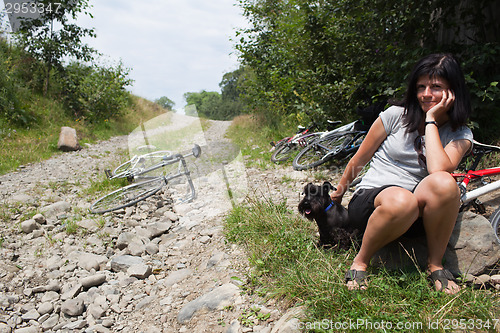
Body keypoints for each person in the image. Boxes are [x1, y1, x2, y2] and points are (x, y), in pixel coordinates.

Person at [330, 53, 473, 294]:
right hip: (373, 205)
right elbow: (360, 158)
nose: (426, 94)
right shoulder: (396, 115)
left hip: (416, 215)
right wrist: (339, 192)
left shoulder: (460, 134)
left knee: (445, 182)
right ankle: (361, 261)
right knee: (401, 200)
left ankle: (435, 264)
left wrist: (431, 121)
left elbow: (437, 170)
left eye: (436, 87)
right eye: (421, 87)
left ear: (453, 92)